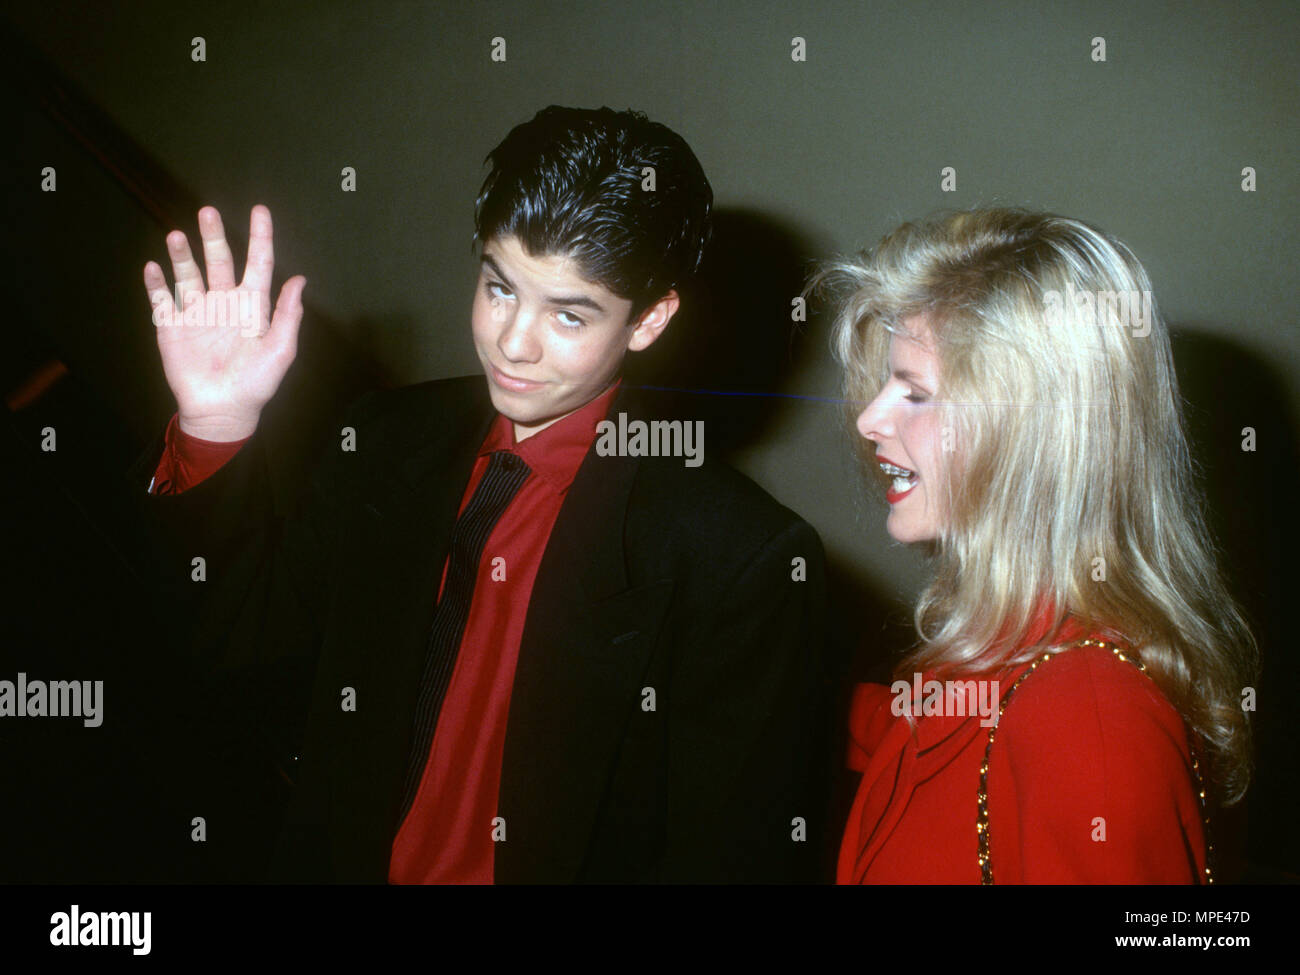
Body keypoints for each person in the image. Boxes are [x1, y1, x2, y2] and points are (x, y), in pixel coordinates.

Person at [133, 106, 832, 883]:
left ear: (651, 319)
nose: (514, 341)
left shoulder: (739, 558)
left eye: (570, 313)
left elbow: (729, 858)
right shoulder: (386, 437)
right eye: (500, 287)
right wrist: (216, 425)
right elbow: (240, 652)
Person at [810, 208, 1257, 884]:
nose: (872, 418)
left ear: (1030, 436)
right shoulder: (1004, 644)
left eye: (916, 393)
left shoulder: (1085, 716)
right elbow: (913, 733)